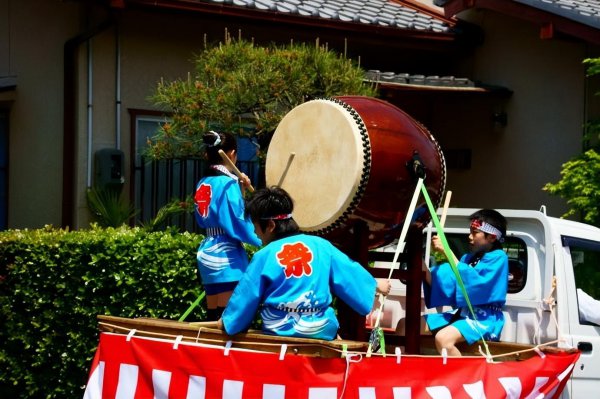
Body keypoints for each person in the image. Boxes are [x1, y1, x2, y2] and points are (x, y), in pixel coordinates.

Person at [216, 186, 391, 340]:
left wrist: (229, 321)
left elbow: (246, 297)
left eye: (255, 225)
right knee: (333, 332)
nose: (254, 232)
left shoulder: (264, 255)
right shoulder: (321, 246)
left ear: (270, 225)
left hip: (279, 331)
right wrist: (375, 285)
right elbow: (348, 272)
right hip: (321, 328)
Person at [193, 130, 262, 321]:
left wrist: (240, 187)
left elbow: (226, 212)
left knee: (213, 312)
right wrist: (261, 236)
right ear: (232, 154)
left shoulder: (203, 182)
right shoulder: (227, 183)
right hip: (226, 252)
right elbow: (237, 219)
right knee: (227, 317)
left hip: (208, 248)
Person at [422, 209, 508, 356]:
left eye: (475, 233)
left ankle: (463, 378)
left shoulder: (499, 258)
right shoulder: (467, 259)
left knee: (443, 339)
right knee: (406, 325)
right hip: (460, 314)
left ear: (492, 237)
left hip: (485, 318)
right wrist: (420, 264)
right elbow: (445, 285)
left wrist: (447, 251)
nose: (469, 237)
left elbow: (475, 284)